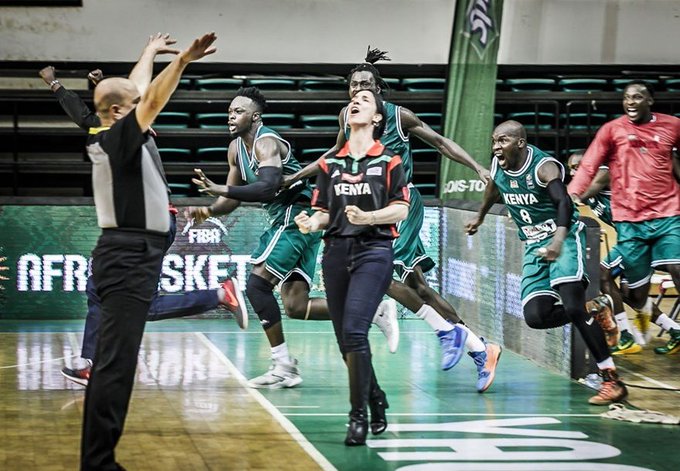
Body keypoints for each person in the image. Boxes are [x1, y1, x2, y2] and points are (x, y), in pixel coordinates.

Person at [285, 47, 500, 392]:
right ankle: (480, 348)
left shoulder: (399, 117)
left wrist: (476, 166)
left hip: (402, 204)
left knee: (378, 271)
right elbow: (333, 156)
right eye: (354, 85)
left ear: (379, 89)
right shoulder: (348, 117)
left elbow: (440, 142)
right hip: (373, 209)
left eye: (366, 84)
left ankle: (449, 333)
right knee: (417, 287)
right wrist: (296, 177)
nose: (358, 90)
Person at [39, 55, 246, 389]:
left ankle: (218, 295)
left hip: (144, 229)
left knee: (137, 305)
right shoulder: (121, 133)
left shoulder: (127, 132)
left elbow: (127, 101)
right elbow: (118, 102)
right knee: (100, 292)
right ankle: (92, 361)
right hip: (142, 227)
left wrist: (177, 60)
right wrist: (122, 70)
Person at [187, 86, 398, 390]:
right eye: (229, 111)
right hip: (297, 220)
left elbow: (267, 188)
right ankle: (375, 309)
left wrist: (221, 189)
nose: (231, 116)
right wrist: (208, 211)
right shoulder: (236, 149)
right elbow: (232, 201)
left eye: (238, 111)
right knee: (296, 305)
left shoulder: (267, 143)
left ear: (255, 116)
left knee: (256, 286)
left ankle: (283, 365)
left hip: (295, 214)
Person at [81, 32, 217, 470]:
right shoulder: (117, 136)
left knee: (115, 364)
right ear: (121, 111)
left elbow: (134, 91)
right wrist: (180, 62)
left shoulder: (110, 128)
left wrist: (148, 52)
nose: (141, 103)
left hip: (130, 251)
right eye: (132, 103)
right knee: (115, 366)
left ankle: (99, 461)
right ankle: (98, 464)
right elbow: (149, 98)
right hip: (128, 255)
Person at [466, 120, 628, 405]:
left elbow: (564, 203)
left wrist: (557, 241)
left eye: (502, 141)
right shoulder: (497, 165)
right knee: (536, 316)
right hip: (533, 245)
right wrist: (479, 217)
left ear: (520, 143)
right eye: (494, 141)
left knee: (574, 307)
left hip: (562, 237)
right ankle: (597, 308)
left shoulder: (544, 167)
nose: (496, 147)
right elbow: (493, 188)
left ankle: (611, 380)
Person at [294, 89, 409, 445]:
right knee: (346, 339)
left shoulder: (389, 160)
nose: (355, 102)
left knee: (355, 333)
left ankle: (357, 417)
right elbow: (325, 212)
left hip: (374, 252)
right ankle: (376, 397)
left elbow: (401, 208)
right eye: (352, 99)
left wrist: (370, 216)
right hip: (336, 254)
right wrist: (311, 223)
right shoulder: (330, 165)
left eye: (365, 99)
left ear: (377, 117)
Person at [568, 81, 680, 356]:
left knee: (606, 273)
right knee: (634, 295)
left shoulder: (603, 177)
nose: (631, 101)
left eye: (638, 97)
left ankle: (626, 335)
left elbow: (592, 180)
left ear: (650, 100)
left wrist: (574, 197)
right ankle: (673, 329)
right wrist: (571, 195)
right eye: (627, 97)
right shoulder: (611, 132)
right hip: (632, 234)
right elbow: (585, 173)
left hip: (664, 219)